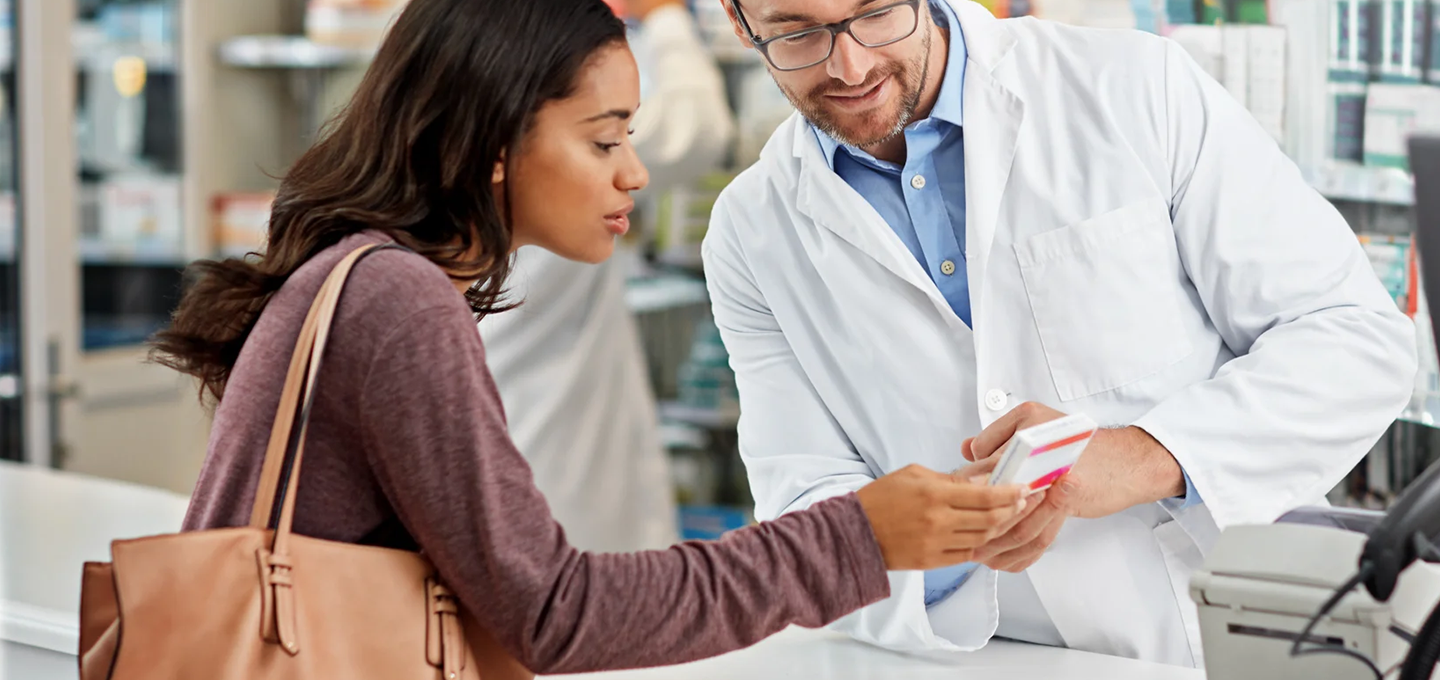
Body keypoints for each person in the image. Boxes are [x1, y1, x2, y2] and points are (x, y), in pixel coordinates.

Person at [149, 0, 1032, 674]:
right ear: (496, 145)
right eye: (605, 139)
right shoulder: (396, 300)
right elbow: (553, 612)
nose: (635, 172)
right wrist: (858, 539)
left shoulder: (372, 277)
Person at [701, 0, 1417, 667]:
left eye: (876, 13)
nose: (849, 67)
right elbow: (805, 512)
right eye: (796, 33)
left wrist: (1144, 456)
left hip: (1238, 634)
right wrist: (951, 537)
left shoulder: (1134, 88)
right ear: (739, 22)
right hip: (1007, 659)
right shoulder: (751, 231)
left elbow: (1356, 338)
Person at [477, 0, 734, 552]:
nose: (634, 172)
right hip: (558, 501)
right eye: (605, 141)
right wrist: (666, 18)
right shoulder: (540, 194)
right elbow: (695, 130)